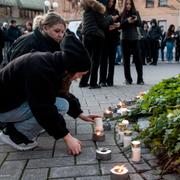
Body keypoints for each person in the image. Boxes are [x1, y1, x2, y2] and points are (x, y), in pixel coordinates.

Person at [0, 32, 99, 155]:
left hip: (12, 102)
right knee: (56, 108)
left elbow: (60, 93)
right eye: (80, 73)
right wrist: (67, 137)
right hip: (4, 108)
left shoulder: (53, 63)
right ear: (71, 67)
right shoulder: (39, 69)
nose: (79, 78)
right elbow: (43, 108)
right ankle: (14, 135)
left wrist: (80, 114)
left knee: (62, 104)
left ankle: (18, 127)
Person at [79, 0, 117, 89]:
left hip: (86, 37)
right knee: (95, 60)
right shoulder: (97, 11)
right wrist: (111, 18)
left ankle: (83, 82)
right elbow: (103, 24)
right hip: (96, 37)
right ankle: (93, 83)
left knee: (88, 60)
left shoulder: (86, 13)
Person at [120, 0, 144, 85]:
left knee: (138, 60)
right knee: (126, 61)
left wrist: (136, 20)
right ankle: (128, 79)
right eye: (126, 4)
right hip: (125, 39)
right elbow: (120, 25)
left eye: (130, 4)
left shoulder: (136, 12)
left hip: (134, 39)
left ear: (132, 4)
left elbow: (140, 24)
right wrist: (127, 21)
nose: (128, 5)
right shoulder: (122, 14)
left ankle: (140, 79)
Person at [99, 0, 120, 87]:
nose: (111, 3)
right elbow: (101, 25)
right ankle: (102, 80)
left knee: (112, 61)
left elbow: (120, 23)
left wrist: (118, 24)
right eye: (109, 1)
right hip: (104, 39)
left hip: (114, 39)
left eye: (113, 1)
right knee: (103, 60)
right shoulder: (102, 11)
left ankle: (110, 80)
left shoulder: (116, 11)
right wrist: (109, 26)